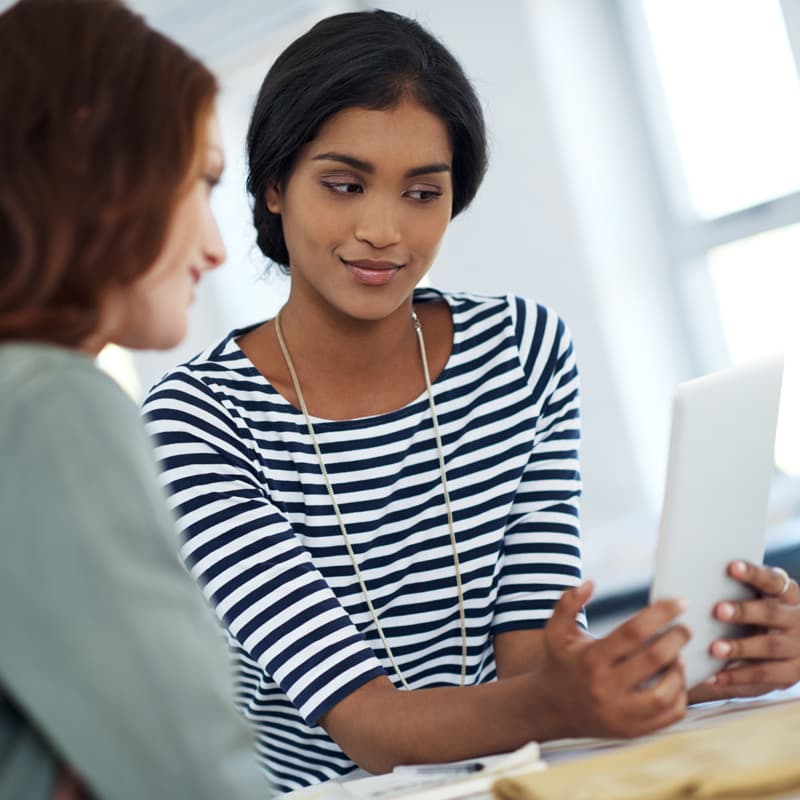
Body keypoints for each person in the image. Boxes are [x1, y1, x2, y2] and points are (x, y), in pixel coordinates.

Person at [142, 8, 800, 793]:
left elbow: (538, 659)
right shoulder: (196, 421)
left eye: (423, 192)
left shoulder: (521, 349)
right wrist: (566, 699)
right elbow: (373, 731)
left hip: (517, 775)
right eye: (344, 185)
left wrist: (713, 659)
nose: (384, 230)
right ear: (276, 184)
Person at [0, 1, 272, 798]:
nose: (218, 248)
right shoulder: (47, 405)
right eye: (203, 181)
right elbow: (191, 773)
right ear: (98, 159)